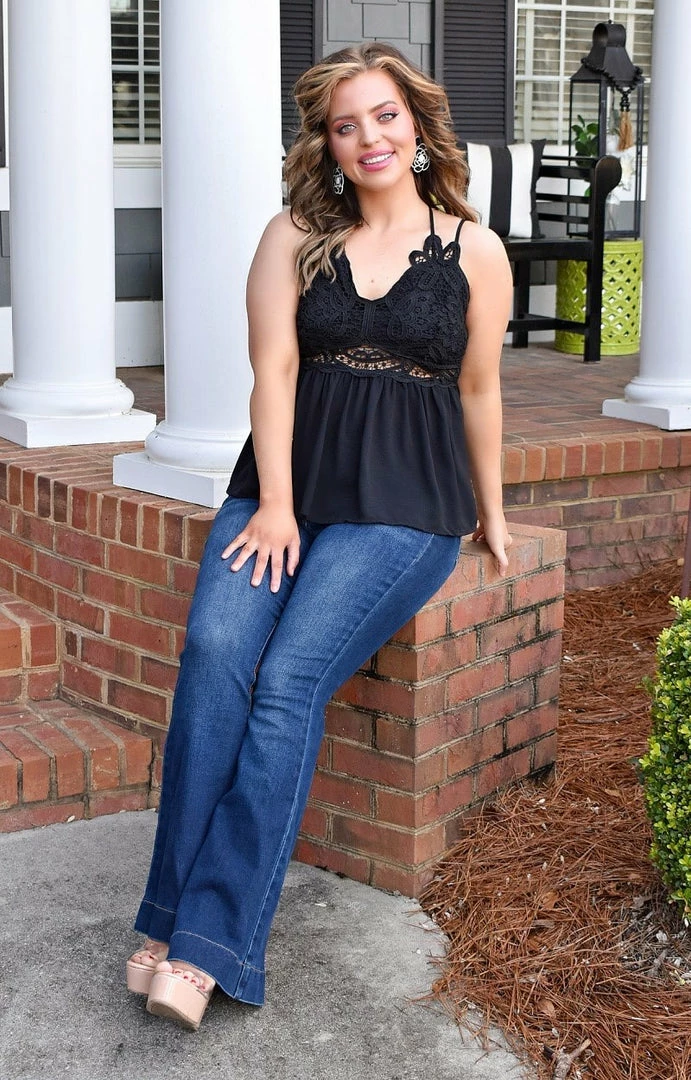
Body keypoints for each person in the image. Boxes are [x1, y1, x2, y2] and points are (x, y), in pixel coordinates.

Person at [126, 41, 513, 1031]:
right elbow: (275, 373)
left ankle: (207, 949)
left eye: (383, 116)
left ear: (415, 125)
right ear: (326, 144)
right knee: (216, 651)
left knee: (288, 679)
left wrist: (495, 510)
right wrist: (277, 504)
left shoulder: (473, 250)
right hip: (283, 493)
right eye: (346, 125)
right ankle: (167, 917)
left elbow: (477, 389)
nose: (368, 137)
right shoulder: (293, 236)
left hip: (405, 506)